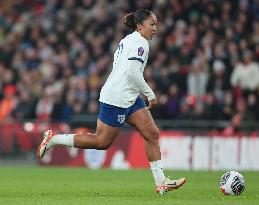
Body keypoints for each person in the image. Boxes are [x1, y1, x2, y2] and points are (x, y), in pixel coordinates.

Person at [37, 9, 186, 195]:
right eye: (152, 24)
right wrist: (150, 94)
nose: (156, 28)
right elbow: (132, 73)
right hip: (116, 98)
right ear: (140, 26)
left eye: (156, 23)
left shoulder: (130, 39)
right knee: (101, 142)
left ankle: (161, 182)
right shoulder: (140, 43)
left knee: (152, 134)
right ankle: (54, 139)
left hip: (129, 96)